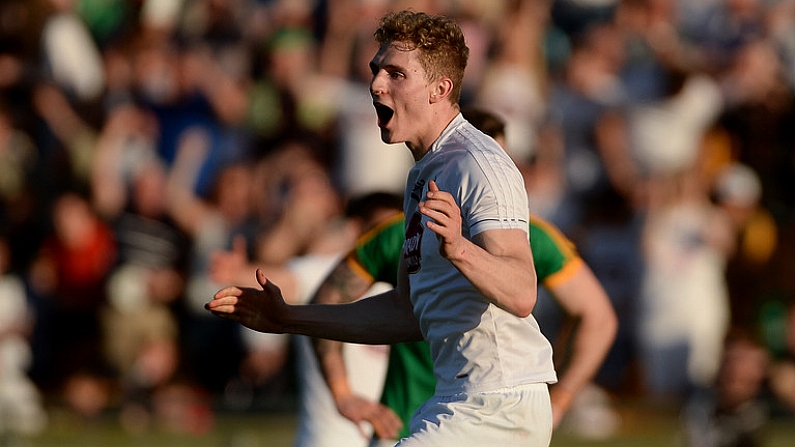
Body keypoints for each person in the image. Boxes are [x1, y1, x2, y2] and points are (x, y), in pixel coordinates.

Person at [207, 10, 557, 446]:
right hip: (458, 400)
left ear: (440, 89)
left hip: (497, 405)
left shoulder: (478, 165)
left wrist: (459, 248)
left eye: (396, 74)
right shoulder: (422, 176)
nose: (376, 84)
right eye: (376, 70)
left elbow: (523, 292)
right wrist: (291, 318)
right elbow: (404, 313)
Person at [310, 108, 618, 445]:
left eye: (501, 168)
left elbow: (597, 316)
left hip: (488, 415)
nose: (496, 184)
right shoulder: (401, 230)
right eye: (484, 171)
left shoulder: (535, 237)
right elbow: (339, 298)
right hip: (405, 422)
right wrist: (342, 393)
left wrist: (559, 402)